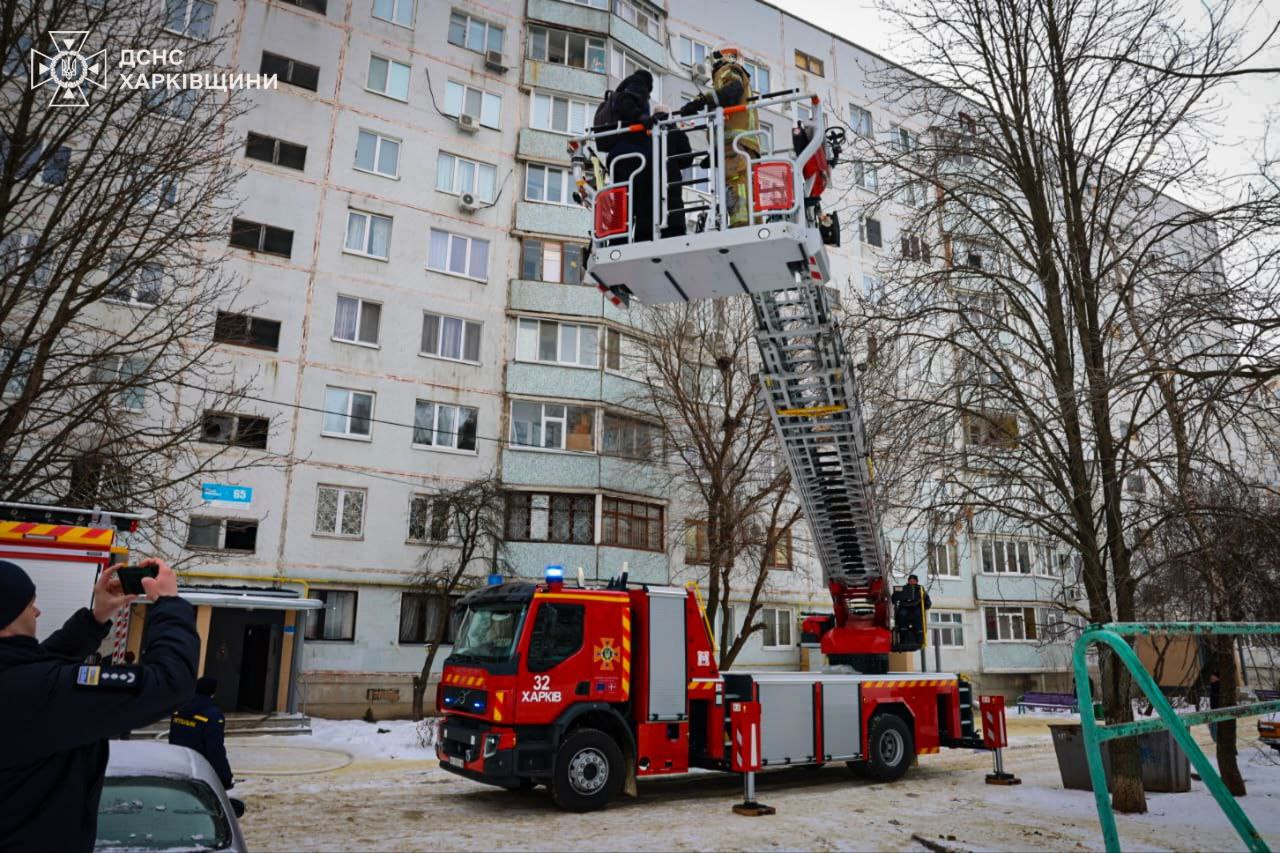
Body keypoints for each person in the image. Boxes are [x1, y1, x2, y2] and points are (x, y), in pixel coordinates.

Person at [0, 559, 199, 853]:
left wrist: (96, 617)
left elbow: (34, 667)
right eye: (30, 604)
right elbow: (171, 682)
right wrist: (169, 604)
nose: (37, 611)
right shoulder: (35, 693)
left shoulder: (21, 685)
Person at [604, 69, 690, 242]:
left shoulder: (623, 89)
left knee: (625, 201)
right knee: (638, 202)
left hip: (622, 159)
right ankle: (625, 238)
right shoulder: (637, 85)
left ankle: (618, 240)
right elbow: (687, 158)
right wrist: (640, 118)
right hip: (633, 159)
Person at [677, 46, 758, 227]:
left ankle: (741, 226)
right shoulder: (742, 78)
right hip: (744, 145)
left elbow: (731, 91)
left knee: (736, 183)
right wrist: (714, 153)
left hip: (734, 145)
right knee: (748, 188)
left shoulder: (727, 70)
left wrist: (700, 102)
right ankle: (752, 224)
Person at [169, 676, 233, 790]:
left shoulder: (180, 708)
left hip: (178, 764)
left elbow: (173, 736)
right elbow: (215, 748)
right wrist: (224, 777)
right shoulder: (212, 714)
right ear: (212, 693)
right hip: (200, 768)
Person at [891, 573, 932, 648]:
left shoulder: (920, 590)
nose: (912, 582)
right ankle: (903, 638)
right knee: (902, 614)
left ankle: (919, 639)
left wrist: (927, 604)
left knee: (918, 615)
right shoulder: (903, 589)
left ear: (916, 581)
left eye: (913, 581)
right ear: (908, 581)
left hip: (916, 608)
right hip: (905, 608)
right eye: (910, 580)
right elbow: (894, 598)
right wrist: (895, 595)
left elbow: (927, 601)